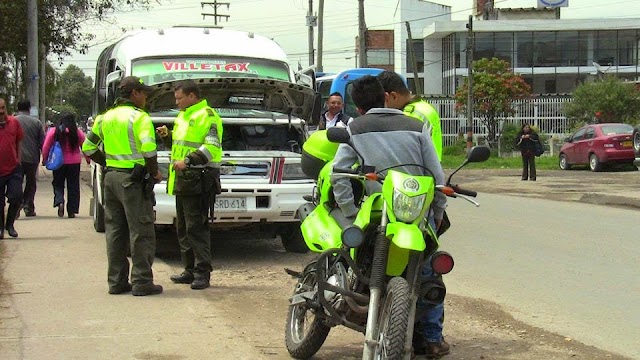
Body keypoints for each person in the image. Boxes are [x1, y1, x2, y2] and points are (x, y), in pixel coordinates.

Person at [330, 76, 449, 358]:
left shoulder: (354, 127)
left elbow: (339, 173)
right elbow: (436, 176)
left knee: (354, 256)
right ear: (386, 96)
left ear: (356, 106)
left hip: (377, 212)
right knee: (429, 271)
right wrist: (438, 213)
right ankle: (432, 338)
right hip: (417, 211)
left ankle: (348, 299)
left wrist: (350, 211)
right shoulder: (418, 125)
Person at [377, 70, 450, 357]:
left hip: (411, 197)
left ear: (390, 96)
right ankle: (429, 338)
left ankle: (429, 336)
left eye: (382, 102)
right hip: (422, 193)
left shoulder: (412, 115)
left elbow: (411, 159)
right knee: (425, 267)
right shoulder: (421, 110)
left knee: (427, 268)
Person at [82, 76, 163, 296]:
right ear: (135, 93)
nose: (145, 97)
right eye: (143, 93)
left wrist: (107, 162)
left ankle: (116, 282)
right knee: (141, 230)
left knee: (115, 231)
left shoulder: (104, 118)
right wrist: (154, 171)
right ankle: (142, 281)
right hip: (132, 182)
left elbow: (88, 148)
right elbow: (148, 150)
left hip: (111, 179)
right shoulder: (140, 118)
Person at [156, 79, 223, 290]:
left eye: (179, 98)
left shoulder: (208, 116)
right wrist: (167, 138)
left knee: (197, 228)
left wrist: (187, 161)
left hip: (199, 179)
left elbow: (211, 147)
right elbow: (180, 147)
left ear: (192, 96)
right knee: (183, 227)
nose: (176, 102)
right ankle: (189, 270)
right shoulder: (183, 116)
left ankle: (203, 273)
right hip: (183, 181)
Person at [376, 70, 443, 161]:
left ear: (394, 96)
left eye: (384, 101)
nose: (383, 107)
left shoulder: (410, 114)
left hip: (415, 172)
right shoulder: (423, 107)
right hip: (428, 169)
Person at [42, 112, 86, 218]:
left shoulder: (54, 131)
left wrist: (45, 159)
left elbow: (46, 146)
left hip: (59, 162)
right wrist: (88, 160)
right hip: (74, 163)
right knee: (73, 186)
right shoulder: (77, 132)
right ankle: (72, 210)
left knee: (58, 183)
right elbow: (85, 146)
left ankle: (59, 201)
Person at [15, 100, 44, 218]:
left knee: (17, 182)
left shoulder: (12, 121)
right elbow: (43, 142)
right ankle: (28, 205)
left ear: (18, 108)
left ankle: (16, 204)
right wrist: (45, 158)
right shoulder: (36, 123)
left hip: (16, 158)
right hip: (32, 158)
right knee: (31, 183)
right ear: (29, 109)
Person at [0, 98, 24, 239]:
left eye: (3, 108)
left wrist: (18, 160)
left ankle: (10, 224)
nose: (1, 111)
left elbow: (19, 140)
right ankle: (1, 228)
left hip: (13, 168)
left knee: (16, 197)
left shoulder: (14, 123)